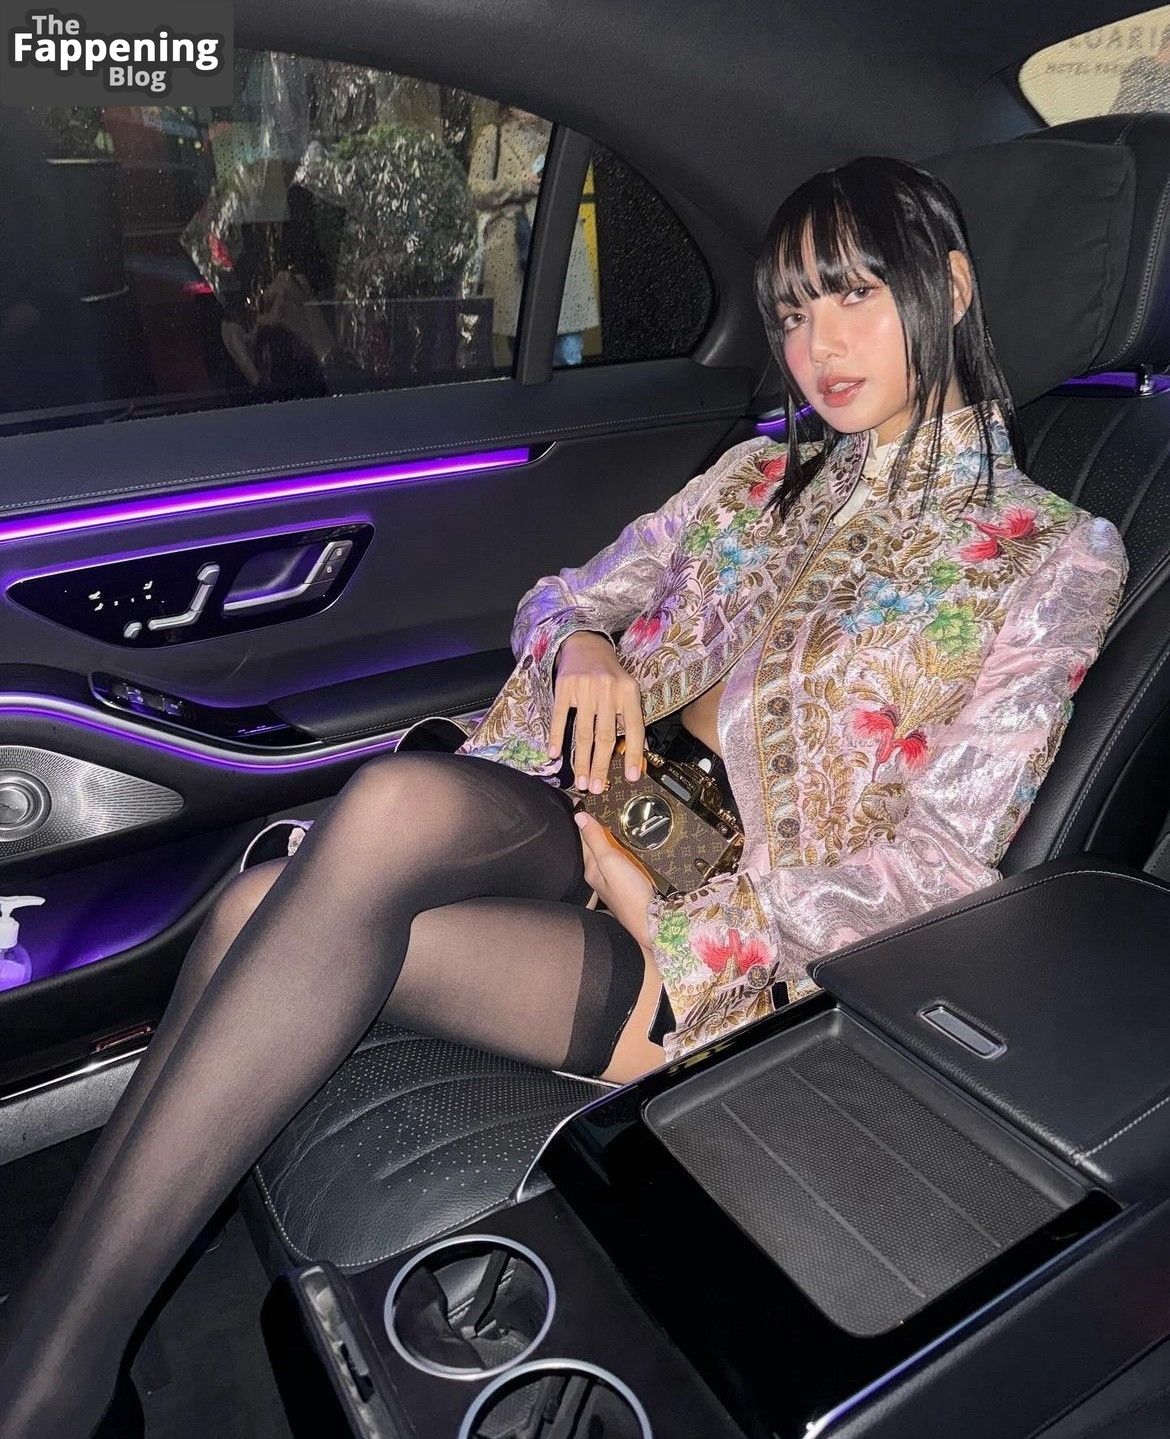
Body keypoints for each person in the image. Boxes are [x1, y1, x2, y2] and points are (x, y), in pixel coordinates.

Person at [0, 154, 1126, 1437]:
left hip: (728, 943)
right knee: (369, 823)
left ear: (951, 287)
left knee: (285, 888)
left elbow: (942, 865)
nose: (819, 345)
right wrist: (587, 642)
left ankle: (50, 1373)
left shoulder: (1053, 551)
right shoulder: (755, 479)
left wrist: (669, 903)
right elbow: (561, 593)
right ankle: (58, 1359)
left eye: (856, 295)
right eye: (793, 310)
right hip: (594, 797)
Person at [468, 104, 600, 366]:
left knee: (569, 347)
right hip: (514, 247)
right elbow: (475, 190)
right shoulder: (493, 135)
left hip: (560, 240)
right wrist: (519, 185)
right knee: (525, 347)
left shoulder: (561, 132)